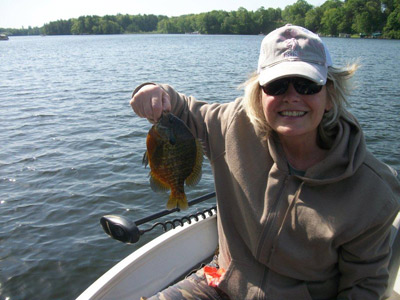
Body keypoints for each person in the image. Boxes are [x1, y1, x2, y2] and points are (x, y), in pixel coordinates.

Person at [131, 24, 400, 300]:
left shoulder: (372, 191)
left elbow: (363, 286)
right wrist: (155, 92)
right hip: (219, 281)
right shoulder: (234, 124)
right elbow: (183, 110)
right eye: (277, 85)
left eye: (307, 84)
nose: (292, 96)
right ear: (259, 94)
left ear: (329, 95)